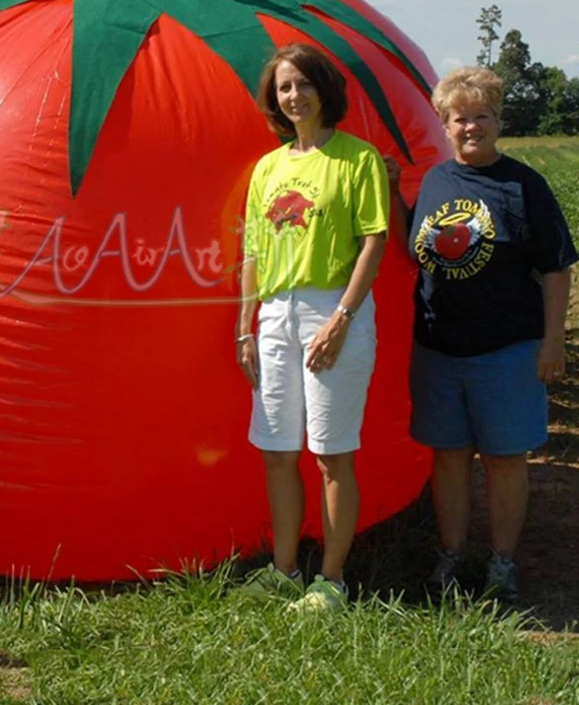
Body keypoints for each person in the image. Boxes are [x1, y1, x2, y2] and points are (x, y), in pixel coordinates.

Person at [386, 66, 575, 602]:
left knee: (504, 458)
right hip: (438, 348)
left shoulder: (524, 186)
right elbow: (409, 251)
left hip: (507, 350)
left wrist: (552, 341)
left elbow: (557, 267)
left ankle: (502, 563)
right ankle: (450, 556)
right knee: (447, 455)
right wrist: (386, 190)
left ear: (498, 121)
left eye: (482, 116)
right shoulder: (436, 182)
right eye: (460, 118)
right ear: (445, 125)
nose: (471, 127)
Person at [235, 43, 389, 612]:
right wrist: (243, 326)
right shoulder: (267, 168)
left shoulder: (358, 159)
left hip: (333, 310)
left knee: (330, 453)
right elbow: (252, 250)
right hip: (274, 315)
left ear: (323, 88)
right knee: (277, 450)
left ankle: (332, 580)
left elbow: (374, 239)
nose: (293, 96)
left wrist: (342, 318)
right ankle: (283, 571)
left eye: (302, 84)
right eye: (283, 88)